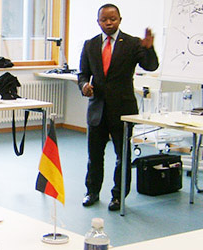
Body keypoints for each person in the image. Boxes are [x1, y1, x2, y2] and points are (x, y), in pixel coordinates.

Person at [77, 3, 159, 211]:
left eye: (112, 19)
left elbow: (150, 66)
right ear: (98, 22)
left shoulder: (132, 43)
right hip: (97, 110)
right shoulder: (90, 45)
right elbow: (83, 74)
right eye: (104, 19)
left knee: (123, 156)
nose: (108, 23)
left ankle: (118, 196)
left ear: (120, 20)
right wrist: (84, 85)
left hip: (123, 110)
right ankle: (92, 191)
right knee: (94, 156)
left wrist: (149, 49)